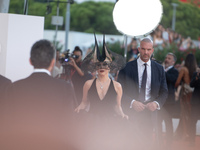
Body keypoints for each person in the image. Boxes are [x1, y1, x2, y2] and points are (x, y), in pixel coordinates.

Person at [0, 40, 77, 150]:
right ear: (52, 62)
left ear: (30, 61)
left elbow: (7, 124)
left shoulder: (14, 87)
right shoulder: (65, 88)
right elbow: (70, 126)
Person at [75, 35, 129, 150]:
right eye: (98, 64)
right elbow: (84, 102)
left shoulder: (117, 86)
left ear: (110, 67)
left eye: (104, 64)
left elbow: (117, 106)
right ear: (95, 67)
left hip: (110, 124)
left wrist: (122, 114)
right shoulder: (88, 84)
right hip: (92, 122)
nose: (101, 67)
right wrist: (79, 107)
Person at [118, 37, 168, 150]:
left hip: (150, 113)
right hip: (131, 112)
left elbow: (164, 91)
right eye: (143, 49)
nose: (146, 52)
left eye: (149, 49)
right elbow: (119, 91)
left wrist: (156, 103)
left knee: (147, 143)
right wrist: (132, 102)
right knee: (130, 143)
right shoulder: (126, 68)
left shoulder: (159, 69)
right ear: (138, 49)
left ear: (152, 50)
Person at [174, 53, 197, 141]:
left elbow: (177, 82)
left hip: (185, 94)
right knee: (190, 115)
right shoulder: (196, 69)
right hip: (193, 94)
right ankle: (188, 134)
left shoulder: (183, 69)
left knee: (183, 114)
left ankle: (184, 135)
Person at [158, 53, 179, 149]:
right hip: (159, 102)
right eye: (166, 58)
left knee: (168, 123)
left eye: (169, 58)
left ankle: (169, 145)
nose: (166, 59)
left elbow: (172, 80)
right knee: (157, 123)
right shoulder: (160, 70)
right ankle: (158, 143)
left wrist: (162, 70)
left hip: (169, 103)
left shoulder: (175, 71)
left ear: (173, 62)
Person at [189, 67, 200, 146]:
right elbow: (191, 85)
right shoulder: (196, 74)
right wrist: (197, 76)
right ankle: (192, 141)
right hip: (195, 103)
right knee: (193, 122)